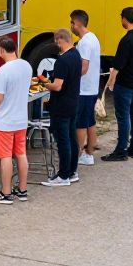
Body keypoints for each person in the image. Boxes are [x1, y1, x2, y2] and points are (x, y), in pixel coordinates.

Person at [0, 37, 32, 204]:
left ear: (1, 50)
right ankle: (22, 190)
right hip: (21, 119)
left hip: (5, 120)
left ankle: (5, 192)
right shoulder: (26, 65)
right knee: (21, 153)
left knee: (5, 156)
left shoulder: (4, 70)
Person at [102, 6, 133, 162]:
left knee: (123, 118)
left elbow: (118, 65)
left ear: (124, 19)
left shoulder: (126, 40)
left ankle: (121, 150)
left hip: (125, 85)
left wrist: (110, 83)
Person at [42, 29, 82, 187]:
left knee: (63, 140)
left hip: (61, 106)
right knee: (72, 139)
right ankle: (72, 172)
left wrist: (44, 84)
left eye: (56, 41)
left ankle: (63, 175)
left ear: (60, 40)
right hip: (73, 102)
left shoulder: (62, 60)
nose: (55, 45)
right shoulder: (76, 55)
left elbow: (57, 86)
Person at [70, 9, 101, 166]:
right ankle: (90, 152)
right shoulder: (93, 38)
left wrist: (71, 79)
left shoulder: (84, 43)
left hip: (84, 89)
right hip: (93, 87)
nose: (71, 26)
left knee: (80, 123)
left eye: (72, 23)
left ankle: (78, 153)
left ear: (78, 24)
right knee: (90, 121)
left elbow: (84, 66)